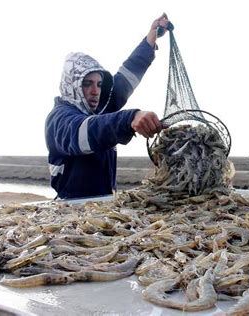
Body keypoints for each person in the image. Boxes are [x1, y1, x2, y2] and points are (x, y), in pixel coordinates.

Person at [45, 14, 169, 199]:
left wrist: (151, 38)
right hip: (71, 204)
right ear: (72, 84)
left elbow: (127, 76)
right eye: (87, 84)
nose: (95, 91)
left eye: (99, 84)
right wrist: (130, 118)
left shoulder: (100, 110)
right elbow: (87, 131)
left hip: (104, 201)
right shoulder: (59, 119)